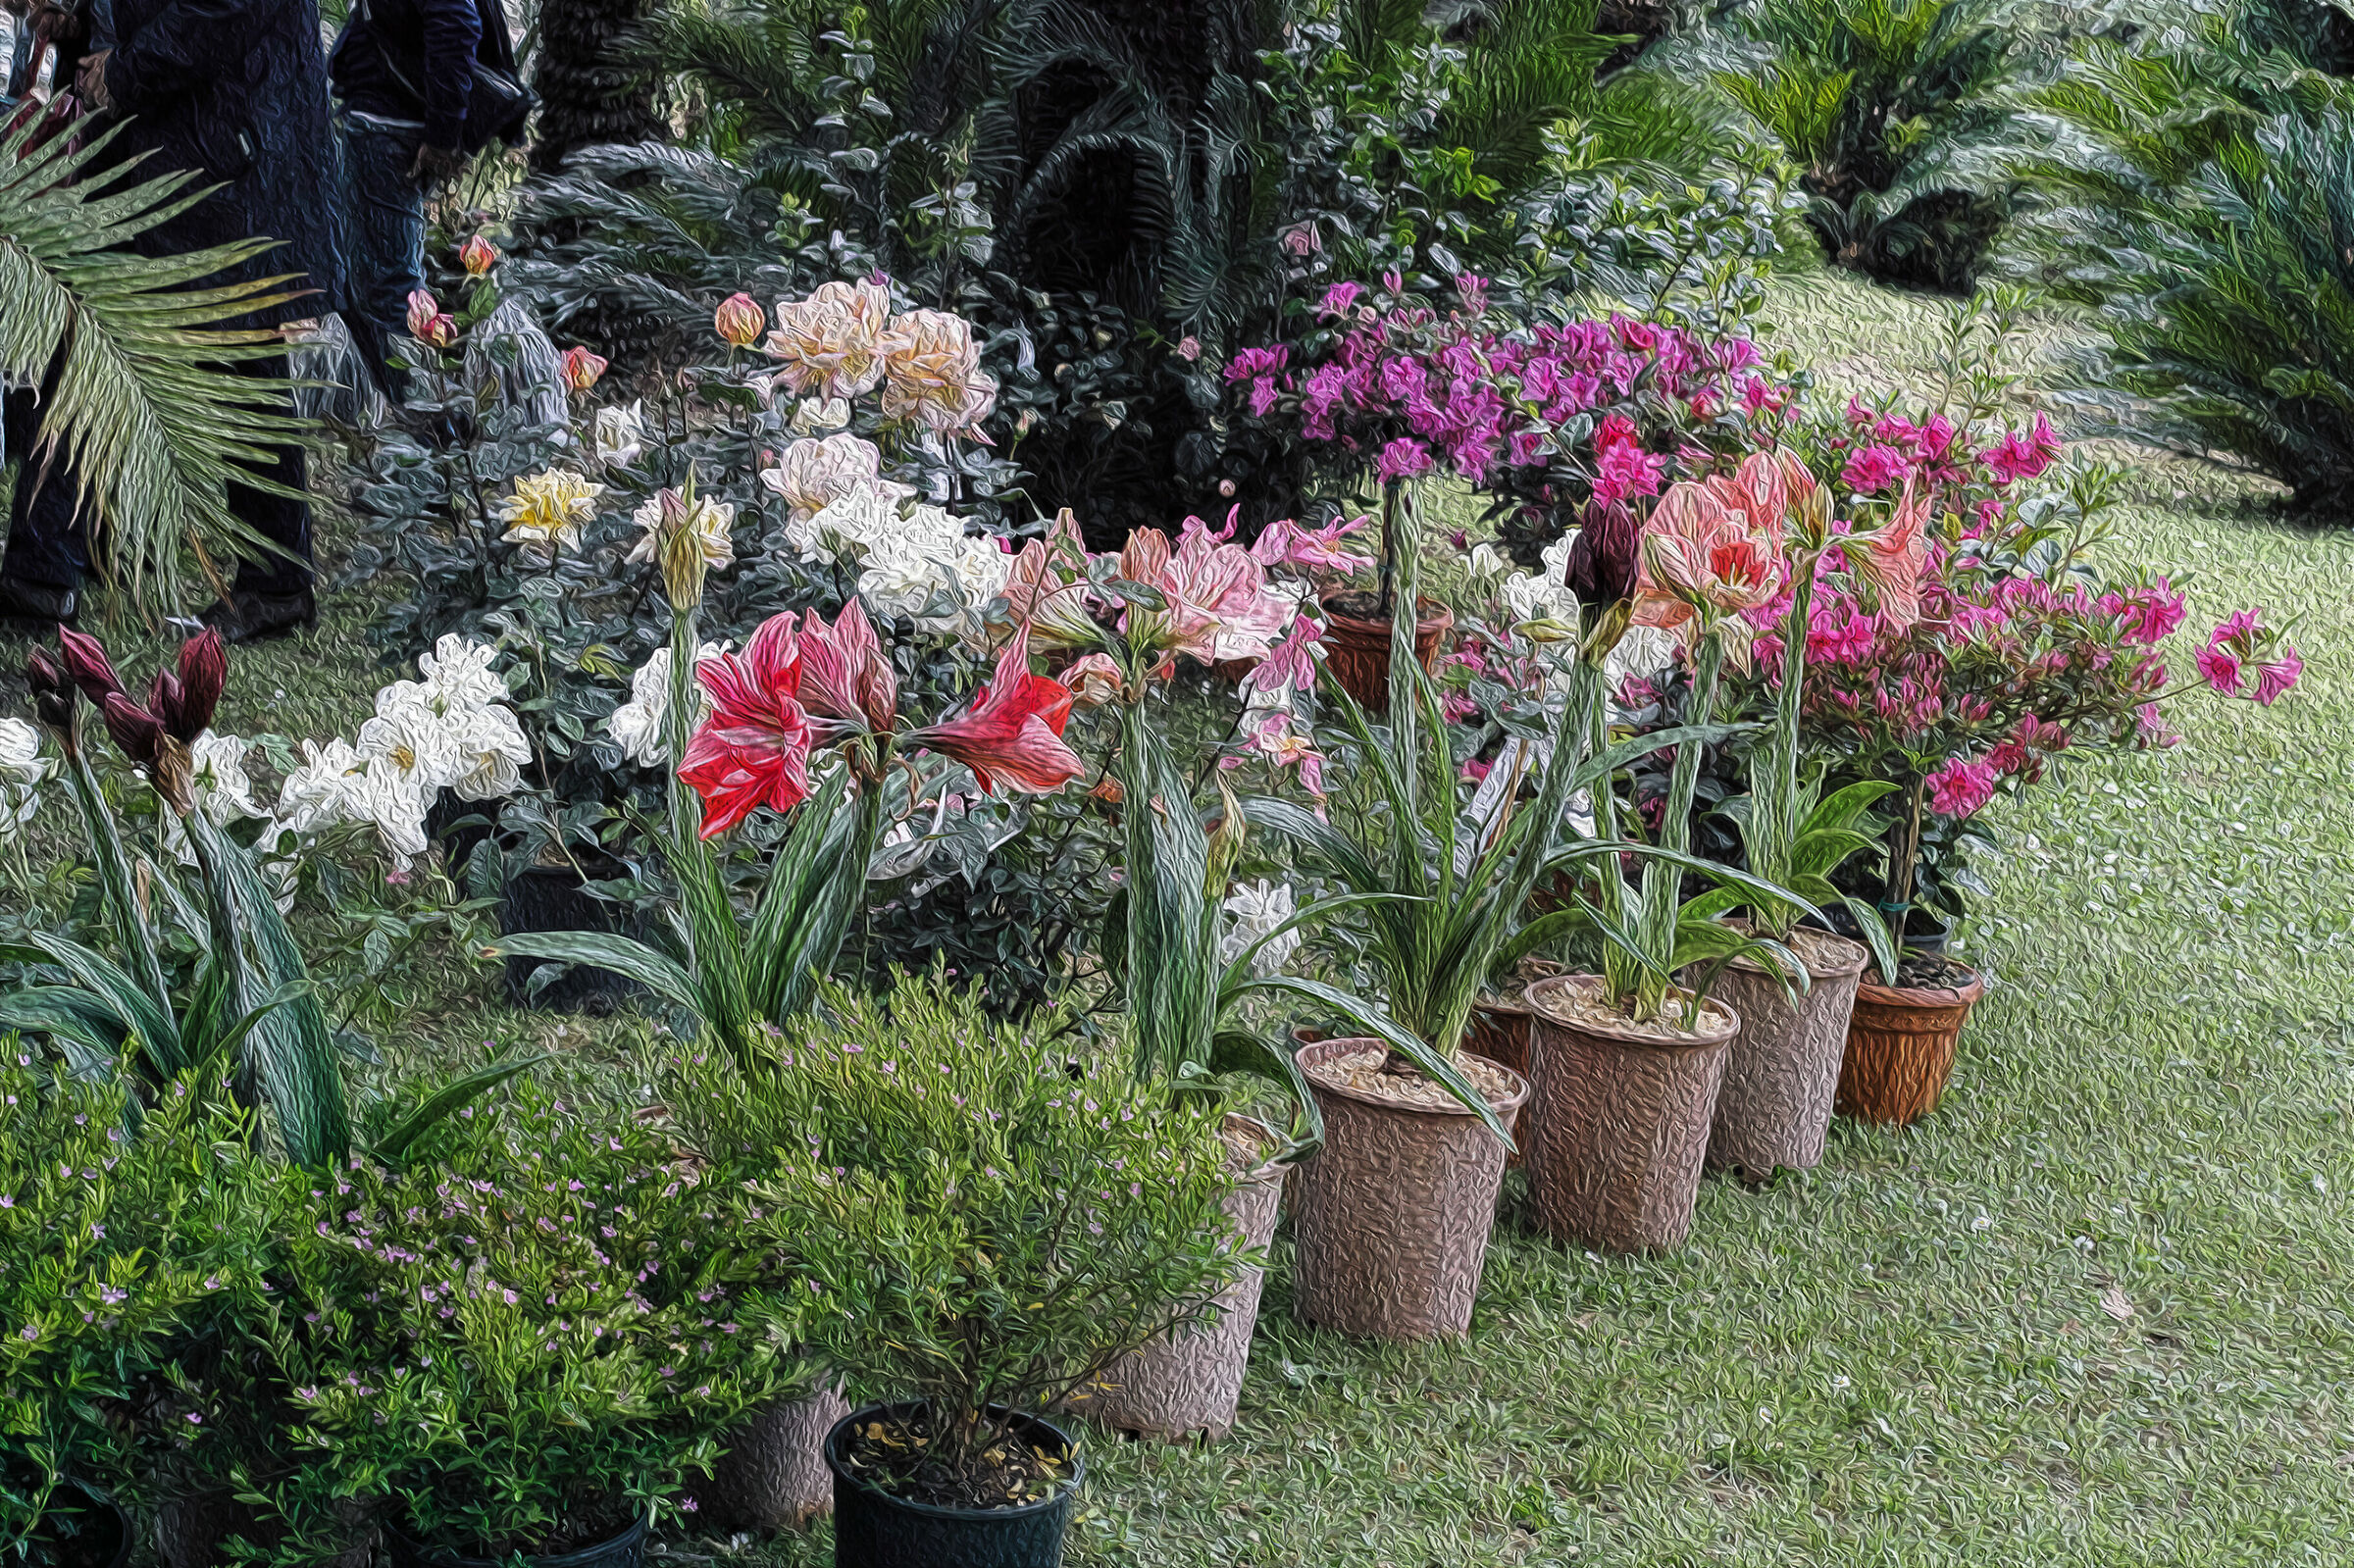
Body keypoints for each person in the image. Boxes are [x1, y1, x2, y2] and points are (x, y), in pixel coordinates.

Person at [0, 0, 345, 639]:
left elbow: (224, 10)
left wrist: (129, 70)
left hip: (219, 153)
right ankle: (67, 562)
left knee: (121, 344)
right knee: (188, 354)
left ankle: (46, 574)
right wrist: (82, 24)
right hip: (191, 146)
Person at [330, 0, 519, 400]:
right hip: (380, 123)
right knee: (367, 284)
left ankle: (426, 428)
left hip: (389, 130)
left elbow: (455, 22)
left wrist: (443, 136)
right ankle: (398, 415)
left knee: (392, 292)